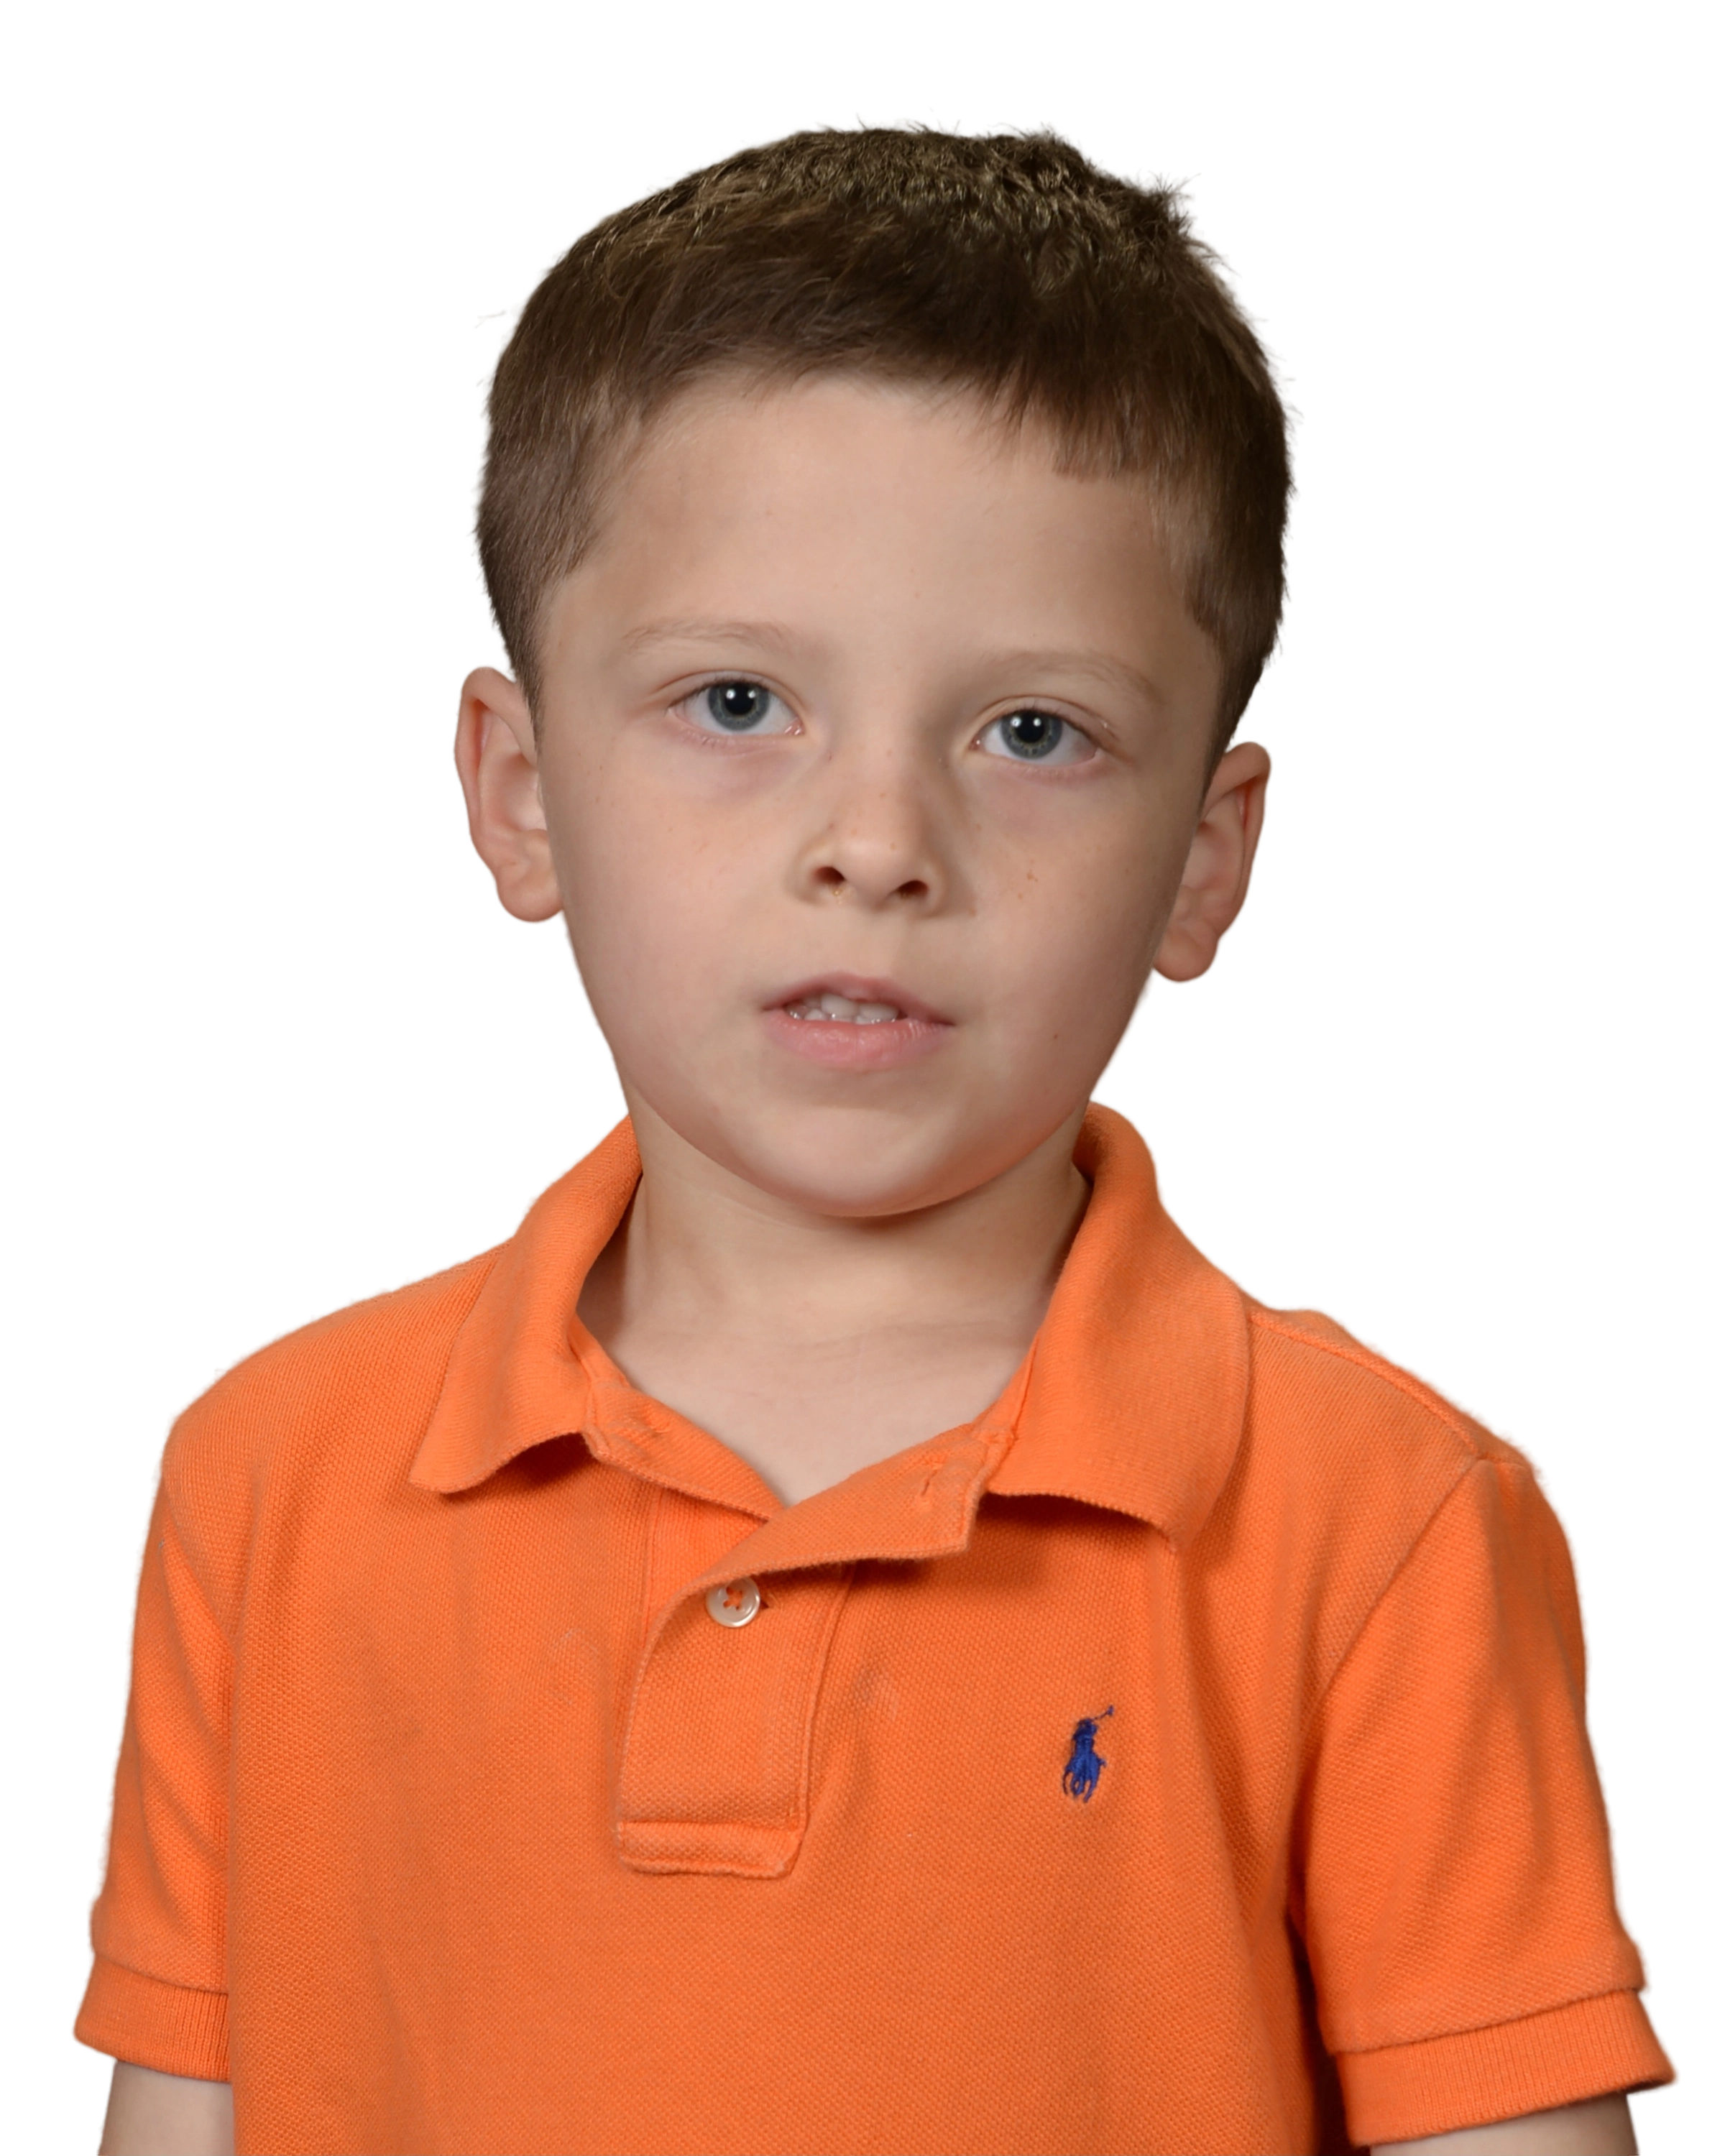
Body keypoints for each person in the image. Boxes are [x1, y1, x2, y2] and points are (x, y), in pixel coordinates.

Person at [73, 112, 1675, 2156]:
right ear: (520, 791)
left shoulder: (1383, 1519)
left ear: (1203, 859)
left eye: (1033, 731)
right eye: (740, 703)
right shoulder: (274, 1475)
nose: (878, 844)